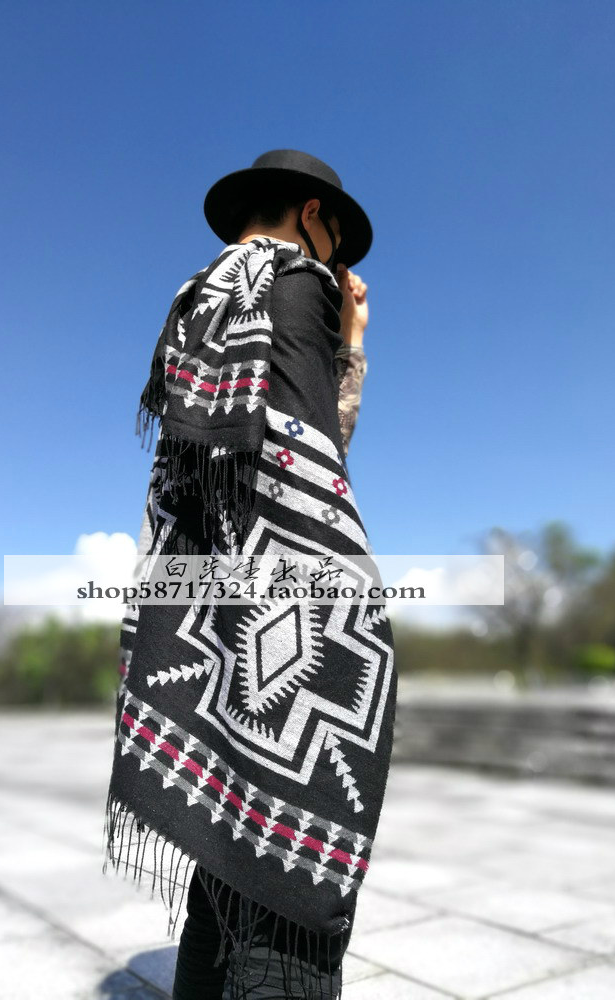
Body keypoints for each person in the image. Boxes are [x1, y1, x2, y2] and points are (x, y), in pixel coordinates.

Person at [103, 150, 397, 1000]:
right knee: (296, 885)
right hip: (294, 609)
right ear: (312, 215)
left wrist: (347, 343)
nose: (338, 263)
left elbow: (249, 454)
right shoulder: (296, 285)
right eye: (335, 241)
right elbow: (319, 453)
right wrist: (347, 336)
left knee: (231, 851)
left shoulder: (195, 304)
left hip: (203, 610)